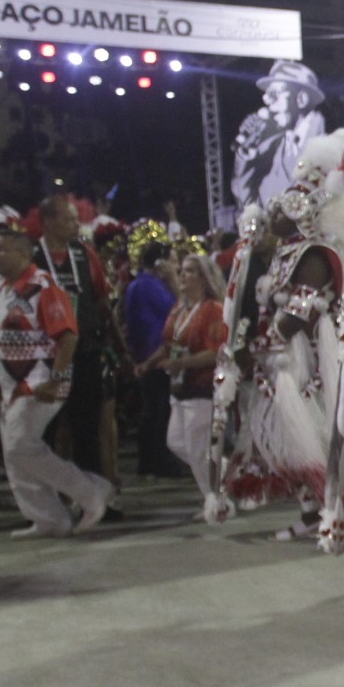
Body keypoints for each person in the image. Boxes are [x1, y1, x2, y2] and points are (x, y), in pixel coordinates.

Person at [226, 127, 344, 541]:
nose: (274, 209)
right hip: (278, 352)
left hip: (302, 356)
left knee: (313, 433)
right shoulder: (286, 250)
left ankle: (329, 510)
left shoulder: (315, 252)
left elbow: (302, 307)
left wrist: (264, 342)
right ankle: (312, 511)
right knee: (291, 436)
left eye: (284, 204)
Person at [0, 227, 113, 537]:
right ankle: (48, 518)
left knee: (19, 445)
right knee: (15, 455)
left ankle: (89, 492)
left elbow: (68, 336)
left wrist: (55, 380)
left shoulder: (44, 286)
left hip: (41, 381)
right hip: (10, 385)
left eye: (1, 249)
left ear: (23, 253)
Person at [33, 194, 125, 491]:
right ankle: (51, 499)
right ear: (49, 222)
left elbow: (101, 301)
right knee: (46, 430)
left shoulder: (84, 254)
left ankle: (95, 495)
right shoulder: (33, 258)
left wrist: (118, 346)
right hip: (45, 357)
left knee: (88, 427)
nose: (77, 224)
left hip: (85, 351)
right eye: (69, 219)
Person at [152, 252, 228, 512]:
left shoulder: (213, 309)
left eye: (190, 271)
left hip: (203, 386)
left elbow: (217, 350)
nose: (183, 275)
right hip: (179, 387)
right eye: (182, 270)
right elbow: (169, 343)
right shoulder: (180, 308)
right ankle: (229, 474)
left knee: (197, 450)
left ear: (204, 277)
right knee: (177, 442)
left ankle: (216, 501)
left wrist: (181, 364)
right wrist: (148, 363)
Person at [230, 60, 327, 213]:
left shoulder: (329, 148)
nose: (267, 102)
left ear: (301, 99)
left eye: (274, 95)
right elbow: (251, 205)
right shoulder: (270, 148)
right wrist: (246, 156)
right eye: (266, 96)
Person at [124, 240, 179, 479]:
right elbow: (180, 309)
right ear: (160, 262)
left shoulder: (137, 285)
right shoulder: (152, 287)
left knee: (154, 409)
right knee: (159, 411)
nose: (176, 266)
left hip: (145, 353)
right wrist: (173, 283)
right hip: (156, 354)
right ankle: (159, 461)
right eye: (174, 261)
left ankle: (151, 461)